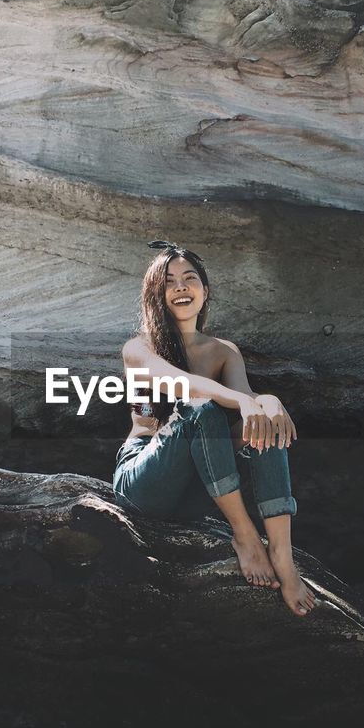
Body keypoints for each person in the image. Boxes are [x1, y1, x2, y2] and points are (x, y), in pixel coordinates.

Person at [112, 239, 316, 617]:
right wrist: (243, 401)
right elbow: (179, 384)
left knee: (265, 420)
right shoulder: (139, 348)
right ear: (156, 294)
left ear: (205, 290)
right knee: (200, 408)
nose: (181, 287)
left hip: (198, 489)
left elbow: (246, 404)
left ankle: (283, 556)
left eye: (190, 278)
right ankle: (245, 535)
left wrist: (265, 401)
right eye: (169, 282)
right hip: (144, 479)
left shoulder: (224, 351)